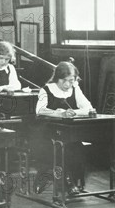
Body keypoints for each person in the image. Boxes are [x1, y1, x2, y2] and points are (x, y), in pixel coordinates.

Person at [33, 61, 94, 196]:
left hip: (68, 132)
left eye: (71, 81)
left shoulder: (75, 89)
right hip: (47, 131)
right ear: (57, 78)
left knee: (77, 149)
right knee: (57, 149)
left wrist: (74, 112)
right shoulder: (47, 89)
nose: (67, 84)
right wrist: (59, 113)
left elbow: (88, 108)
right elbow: (40, 110)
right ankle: (59, 179)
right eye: (64, 81)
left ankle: (71, 181)